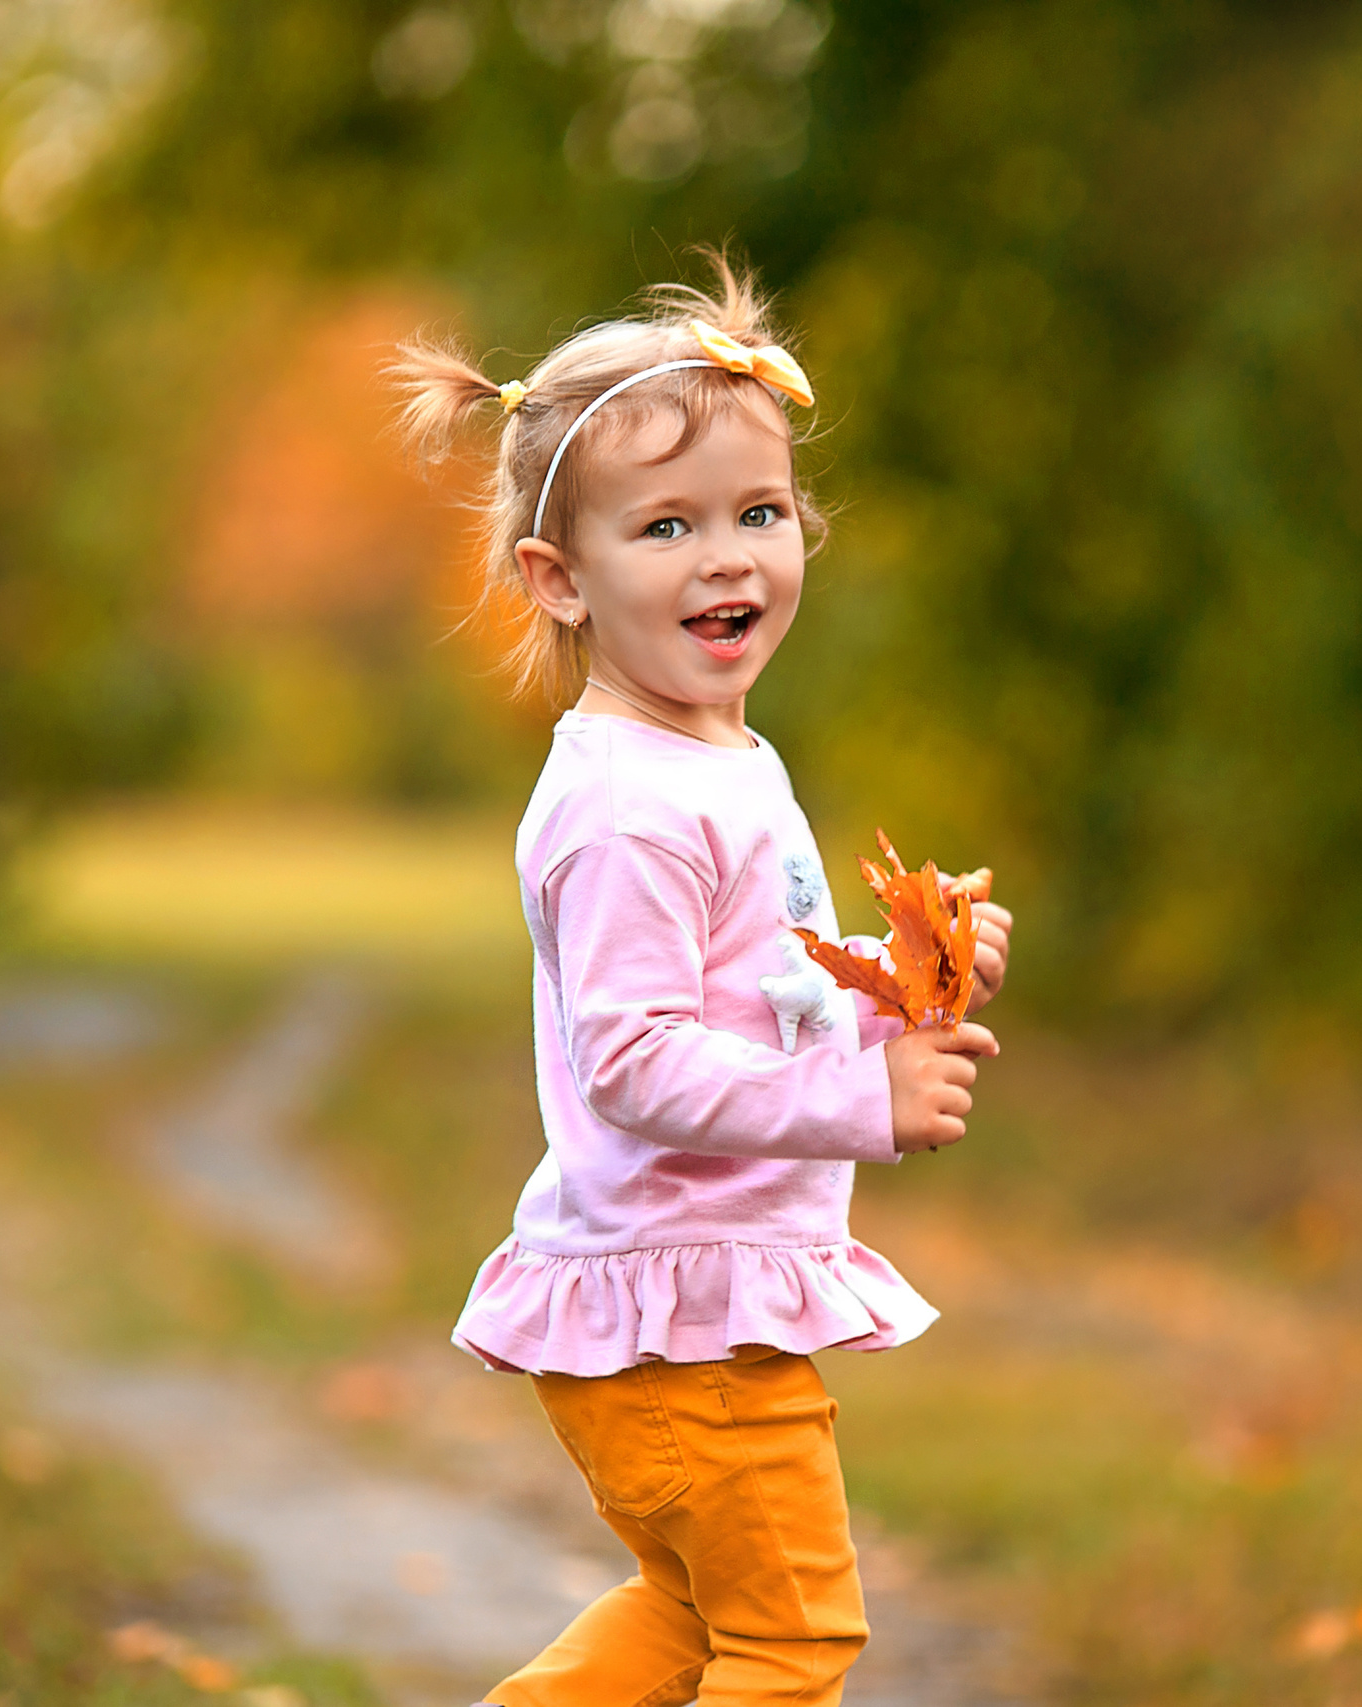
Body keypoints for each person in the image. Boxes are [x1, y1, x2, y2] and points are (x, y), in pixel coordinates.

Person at [389, 252, 1012, 1707]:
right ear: (561, 579)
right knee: (789, 1644)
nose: (729, 557)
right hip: (681, 1329)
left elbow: (762, 999)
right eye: (666, 526)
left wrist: (906, 990)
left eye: (759, 514)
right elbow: (637, 1063)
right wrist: (866, 1100)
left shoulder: (721, 759)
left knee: (689, 1622)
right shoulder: (626, 809)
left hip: (696, 1316)